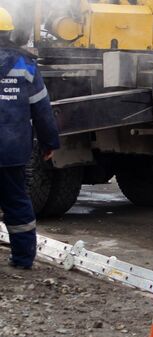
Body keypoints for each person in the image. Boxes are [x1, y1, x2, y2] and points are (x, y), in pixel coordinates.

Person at [0, 7, 60, 270]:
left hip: (12, 148)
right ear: (9, 31)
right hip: (12, 149)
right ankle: (23, 259)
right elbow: (42, 109)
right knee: (16, 202)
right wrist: (49, 143)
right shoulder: (25, 64)